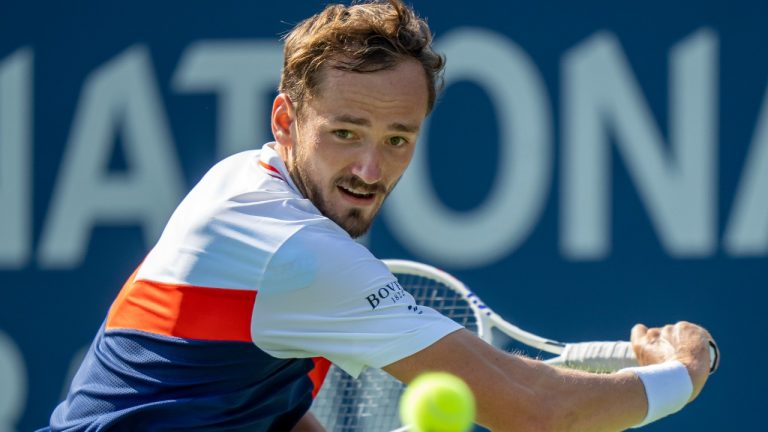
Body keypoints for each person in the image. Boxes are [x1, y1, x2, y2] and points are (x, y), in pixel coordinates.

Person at [43, 1, 718, 431]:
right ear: (286, 119)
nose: (370, 169)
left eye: (397, 139)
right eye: (345, 132)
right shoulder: (301, 255)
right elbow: (538, 409)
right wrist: (680, 378)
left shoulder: (239, 185)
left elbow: (243, 407)